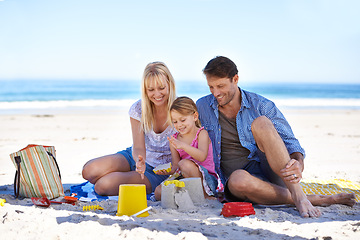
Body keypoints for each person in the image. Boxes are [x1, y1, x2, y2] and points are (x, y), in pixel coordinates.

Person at [196, 56, 356, 218]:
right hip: (240, 182)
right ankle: (312, 199)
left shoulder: (261, 105)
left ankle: (299, 195)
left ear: (235, 79)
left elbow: (291, 143)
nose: (216, 93)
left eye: (221, 86)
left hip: (275, 173)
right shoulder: (202, 107)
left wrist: (298, 163)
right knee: (238, 179)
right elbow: (184, 129)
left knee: (262, 123)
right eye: (211, 87)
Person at [82, 61, 176, 196]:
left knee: (102, 186)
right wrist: (139, 161)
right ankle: (127, 175)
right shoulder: (138, 108)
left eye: (161, 88)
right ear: (145, 90)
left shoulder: (179, 110)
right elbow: (138, 146)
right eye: (151, 90)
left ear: (170, 85)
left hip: (158, 172)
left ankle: (125, 177)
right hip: (136, 157)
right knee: (89, 171)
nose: (157, 94)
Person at [154, 96, 220, 201]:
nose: (179, 125)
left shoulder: (201, 134)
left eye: (183, 120)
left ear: (195, 116)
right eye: (175, 122)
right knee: (159, 192)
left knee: (184, 163)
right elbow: (176, 166)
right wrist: (167, 171)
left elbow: (202, 156)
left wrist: (183, 146)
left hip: (206, 180)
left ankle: (204, 196)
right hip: (184, 176)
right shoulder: (175, 140)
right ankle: (188, 196)